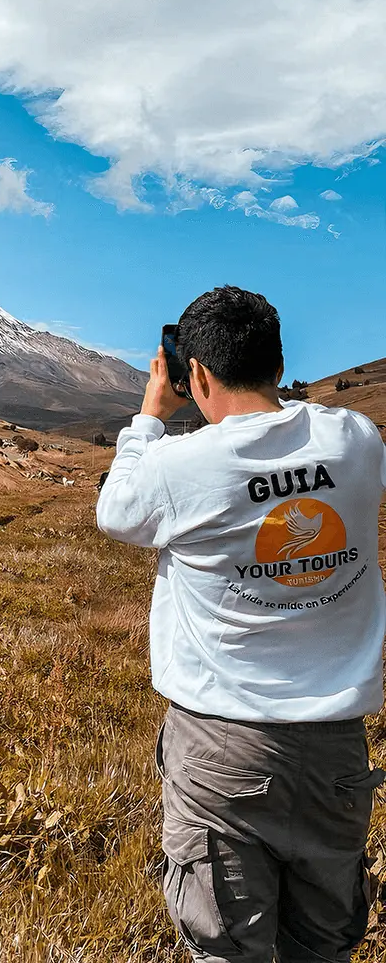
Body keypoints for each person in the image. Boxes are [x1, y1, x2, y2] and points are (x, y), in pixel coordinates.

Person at [97, 285, 386, 963]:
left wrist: (148, 416)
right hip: (335, 750)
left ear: (194, 373)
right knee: (323, 947)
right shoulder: (356, 439)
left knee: (229, 949)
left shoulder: (179, 465)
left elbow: (116, 510)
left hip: (222, 748)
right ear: (278, 364)